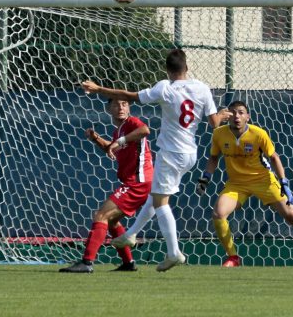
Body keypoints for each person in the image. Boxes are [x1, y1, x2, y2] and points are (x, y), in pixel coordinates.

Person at [82, 49, 231, 272]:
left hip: (171, 153)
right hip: (190, 153)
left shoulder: (164, 88)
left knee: (161, 202)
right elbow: (214, 124)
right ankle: (130, 236)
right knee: (156, 197)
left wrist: (99, 89)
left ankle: (173, 252)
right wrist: (222, 114)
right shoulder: (201, 88)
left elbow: (130, 95)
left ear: (167, 70)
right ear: (186, 68)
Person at [196, 100, 293, 268]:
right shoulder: (219, 134)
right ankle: (233, 257)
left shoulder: (259, 134)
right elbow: (213, 158)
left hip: (264, 181)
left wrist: (284, 183)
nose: (237, 116)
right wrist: (205, 178)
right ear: (227, 116)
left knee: (292, 215)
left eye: (241, 112)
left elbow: (274, 157)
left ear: (248, 117)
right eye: (233, 112)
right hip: (237, 184)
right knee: (218, 213)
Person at [59, 98, 154, 273]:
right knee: (112, 221)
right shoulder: (118, 132)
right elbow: (112, 148)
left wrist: (121, 141)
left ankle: (87, 263)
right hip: (136, 181)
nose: (121, 107)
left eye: (124, 104)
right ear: (109, 108)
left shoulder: (132, 123)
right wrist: (96, 139)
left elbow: (145, 130)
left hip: (138, 181)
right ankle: (128, 263)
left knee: (101, 215)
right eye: (117, 104)